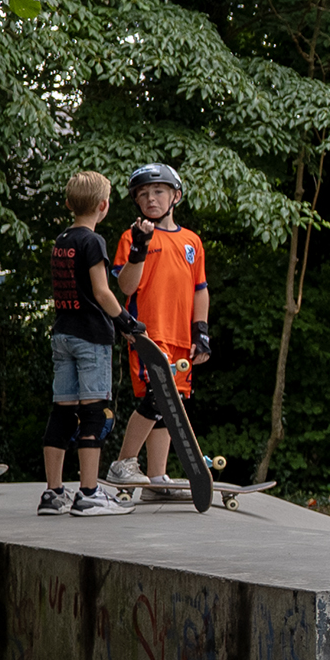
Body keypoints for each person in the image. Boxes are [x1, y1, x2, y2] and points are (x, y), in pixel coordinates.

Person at [103, 164, 211, 487]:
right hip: (148, 334)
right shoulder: (132, 237)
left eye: (159, 191)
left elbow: (200, 289)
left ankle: (156, 476)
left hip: (181, 338)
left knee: (170, 405)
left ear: (175, 196)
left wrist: (201, 331)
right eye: (143, 194)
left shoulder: (192, 241)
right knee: (157, 398)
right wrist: (139, 247)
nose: (151, 198)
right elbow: (125, 286)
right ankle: (123, 463)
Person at [42, 171, 130, 516]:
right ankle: (89, 493)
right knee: (94, 413)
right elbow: (101, 291)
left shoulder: (61, 239)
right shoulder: (93, 242)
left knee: (62, 411)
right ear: (103, 206)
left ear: (67, 204)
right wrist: (126, 322)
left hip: (62, 334)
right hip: (91, 336)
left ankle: (52, 494)